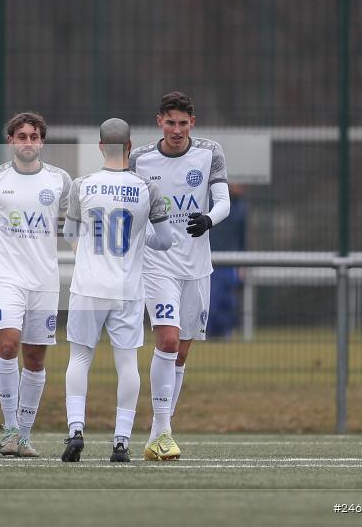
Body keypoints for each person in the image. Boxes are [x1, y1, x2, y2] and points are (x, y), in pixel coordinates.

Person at [0, 112, 71, 458]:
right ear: (10, 141)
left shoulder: (60, 180)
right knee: (8, 345)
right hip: (7, 279)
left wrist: (90, 260)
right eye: (21, 136)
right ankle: (9, 429)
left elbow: (72, 229)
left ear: (42, 141)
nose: (28, 142)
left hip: (45, 282)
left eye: (34, 136)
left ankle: (23, 435)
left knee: (35, 358)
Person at [61, 119, 172, 463]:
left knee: (80, 358)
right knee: (126, 364)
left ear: (100, 146)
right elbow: (166, 240)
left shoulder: (81, 185)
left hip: (88, 286)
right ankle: (121, 441)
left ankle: (76, 430)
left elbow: (69, 234)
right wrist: (139, 239)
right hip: (127, 289)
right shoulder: (147, 188)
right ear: (129, 146)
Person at [129, 91, 230, 460]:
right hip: (157, 265)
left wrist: (208, 219)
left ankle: (158, 433)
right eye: (170, 122)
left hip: (197, 268)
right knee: (168, 341)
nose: (176, 130)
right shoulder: (140, 159)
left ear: (192, 123)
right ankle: (165, 431)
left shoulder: (209, 152)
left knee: (182, 352)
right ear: (159, 121)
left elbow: (223, 201)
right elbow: (129, 205)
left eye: (183, 123)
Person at [207, 183, 247, 338]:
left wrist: (242, 264)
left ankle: (225, 333)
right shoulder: (211, 203)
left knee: (229, 301)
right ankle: (209, 333)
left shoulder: (241, 208)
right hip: (211, 262)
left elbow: (242, 238)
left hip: (230, 264)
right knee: (212, 300)